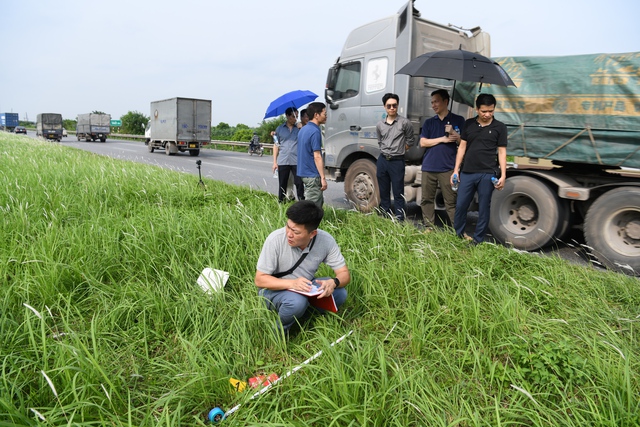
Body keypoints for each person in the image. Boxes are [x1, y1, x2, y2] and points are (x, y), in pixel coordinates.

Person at [255, 200, 350, 335]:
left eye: (296, 232)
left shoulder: (326, 241)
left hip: (305, 288)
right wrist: (292, 284)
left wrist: (333, 282)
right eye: (288, 227)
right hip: (274, 290)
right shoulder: (275, 240)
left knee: (340, 293)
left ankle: (307, 317)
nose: (289, 234)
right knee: (297, 302)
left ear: (312, 234)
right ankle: (279, 330)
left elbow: (344, 274)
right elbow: (260, 280)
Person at [452, 93, 507, 245]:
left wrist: (503, 175)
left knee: (483, 208)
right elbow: (462, 148)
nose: (487, 114)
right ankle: (458, 235)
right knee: (461, 205)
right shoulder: (468, 124)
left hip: (487, 173)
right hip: (467, 172)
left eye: (491, 111)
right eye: (484, 111)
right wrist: (456, 170)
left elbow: (502, 152)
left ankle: (478, 240)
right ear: (477, 109)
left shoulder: (500, 127)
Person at [419, 89, 465, 228]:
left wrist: (455, 135)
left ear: (446, 101)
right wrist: (443, 139)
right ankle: (429, 228)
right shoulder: (429, 122)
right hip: (429, 166)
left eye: (436, 101)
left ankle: (458, 230)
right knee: (426, 199)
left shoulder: (458, 120)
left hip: (448, 168)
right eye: (432, 102)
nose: (433, 105)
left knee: (451, 201)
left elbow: (463, 143)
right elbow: (423, 143)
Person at [375, 93, 415, 221]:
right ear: (384, 107)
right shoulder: (379, 125)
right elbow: (380, 141)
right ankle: (385, 218)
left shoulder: (405, 123)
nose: (392, 108)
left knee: (398, 193)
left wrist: (400, 150)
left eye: (394, 105)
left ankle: (399, 220)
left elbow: (410, 141)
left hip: (397, 161)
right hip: (382, 160)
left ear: (397, 106)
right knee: (383, 191)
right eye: (389, 106)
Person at [297, 102, 328, 207]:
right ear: (316, 115)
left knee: (316, 204)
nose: (326, 115)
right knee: (312, 208)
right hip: (312, 174)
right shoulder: (315, 131)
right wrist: (323, 178)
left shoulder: (303, 129)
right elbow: (317, 156)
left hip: (303, 173)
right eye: (324, 113)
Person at [272, 107, 304, 202]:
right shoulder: (279, 129)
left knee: (299, 183)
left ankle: (302, 202)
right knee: (282, 184)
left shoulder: (300, 128)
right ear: (287, 116)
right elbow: (276, 145)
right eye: (293, 116)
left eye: (296, 116)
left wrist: (302, 129)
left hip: (296, 160)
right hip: (283, 160)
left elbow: (306, 141)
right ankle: (281, 202)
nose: (295, 119)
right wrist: (274, 162)